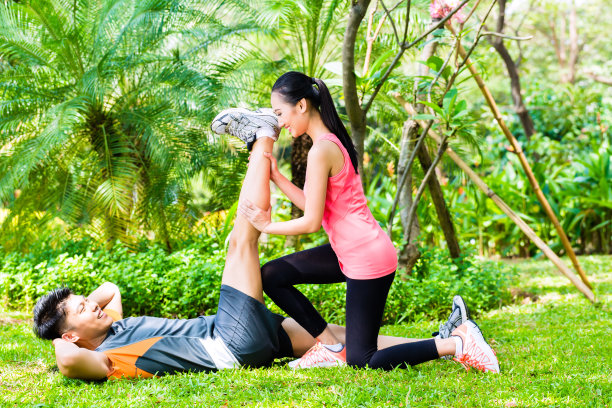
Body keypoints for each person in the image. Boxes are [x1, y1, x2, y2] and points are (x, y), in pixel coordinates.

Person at [32, 135, 484, 380]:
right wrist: (61, 335)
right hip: (230, 343)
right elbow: (69, 361)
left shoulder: (114, 326)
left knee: (344, 342)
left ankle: (448, 344)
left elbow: (109, 292)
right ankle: (263, 138)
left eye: (84, 302)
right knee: (240, 243)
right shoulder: (104, 356)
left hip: (244, 336)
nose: (93, 305)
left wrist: (80, 308)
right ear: (70, 336)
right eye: (80, 311)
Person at [220, 71, 499, 373]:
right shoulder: (327, 143)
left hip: (366, 257)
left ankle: (457, 342)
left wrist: (265, 225)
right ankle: (329, 346)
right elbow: (318, 206)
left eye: (280, 113)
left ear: (301, 105)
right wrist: (276, 176)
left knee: (362, 359)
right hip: (349, 251)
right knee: (273, 275)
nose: (281, 121)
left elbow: (311, 221)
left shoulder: (322, 149)